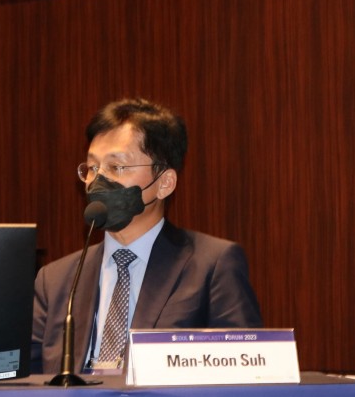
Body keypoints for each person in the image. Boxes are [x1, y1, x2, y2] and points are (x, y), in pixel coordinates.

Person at [31, 97, 261, 375]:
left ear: (164, 183)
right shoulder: (55, 280)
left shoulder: (212, 267)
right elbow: (27, 381)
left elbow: (245, 374)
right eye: (92, 168)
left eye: (116, 167)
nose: (97, 182)